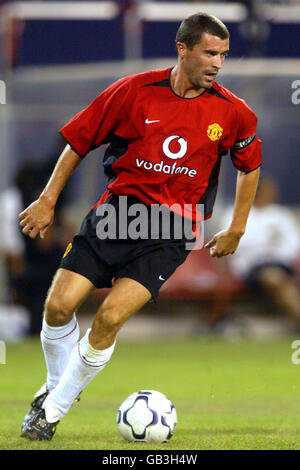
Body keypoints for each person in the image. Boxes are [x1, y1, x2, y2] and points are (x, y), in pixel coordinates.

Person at [19, 12, 261, 440]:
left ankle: (50, 411)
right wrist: (48, 198)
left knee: (109, 317)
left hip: (172, 232)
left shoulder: (232, 112)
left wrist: (237, 227)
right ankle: (60, 387)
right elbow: (78, 141)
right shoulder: (133, 91)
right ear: (182, 49)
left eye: (223, 55)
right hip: (116, 215)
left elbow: (249, 165)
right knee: (58, 307)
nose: (217, 63)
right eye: (209, 52)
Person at [220, 177, 300, 320]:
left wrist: (272, 250)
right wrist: (265, 246)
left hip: (280, 263)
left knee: (277, 277)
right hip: (250, 266)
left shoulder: (282, 215)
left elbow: (293, 244)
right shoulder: (234, 214)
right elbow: (232, 244)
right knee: (274, 277)